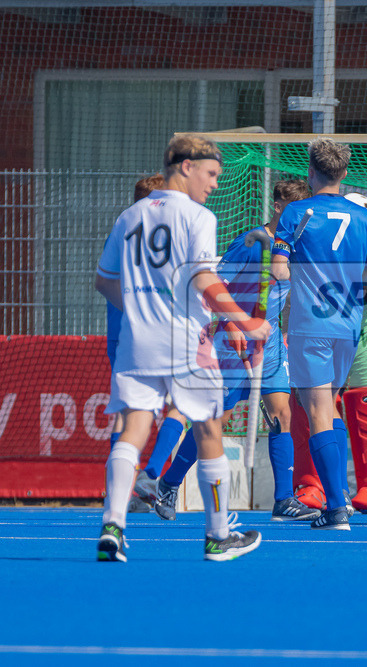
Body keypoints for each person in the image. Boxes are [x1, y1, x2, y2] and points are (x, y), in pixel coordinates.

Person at [95, 133, 269, 561]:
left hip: (137, 341)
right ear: (185, 166)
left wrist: (141, 308)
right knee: (209, 428)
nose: (214, 184)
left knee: (132, 430)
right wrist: (244, 321)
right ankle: (217, 537)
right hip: (186, 342)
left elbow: (103, 280)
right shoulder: (198, 216)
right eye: (211, 174)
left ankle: (112, 527)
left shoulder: (128, 215)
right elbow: (204, 281)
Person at [148, 179, 319, 522]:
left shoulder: (296, 250)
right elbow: (214, 287)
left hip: (269, 346)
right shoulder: (250, 243)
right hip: (232, 344)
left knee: (282, 414)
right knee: (215, 422)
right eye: (292, 211)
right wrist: (230, 326)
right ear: (277, 206)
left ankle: (284, 500)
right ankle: (168, 484)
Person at [271, 137, 367, 531]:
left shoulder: (296, 213)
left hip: (310, 324)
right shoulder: (364, 218)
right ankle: (339, 499)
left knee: (317, 409)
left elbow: (279, 270)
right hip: (348, 324)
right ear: (344, 172)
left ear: (311, 170)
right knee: (330, 406)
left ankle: (336, 506)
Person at [289, 192, 367, 515]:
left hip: (365, 337)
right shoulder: (318, 251)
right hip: (327, 332)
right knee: (314, 404)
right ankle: (315, 483)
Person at [100, 173, 188, 514]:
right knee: (184, 403)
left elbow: (103, 281)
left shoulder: (121, 231)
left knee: (127, 414)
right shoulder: (161, 240)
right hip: (158, 333)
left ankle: (116, 494)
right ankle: (151, 476)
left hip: (120, 335)